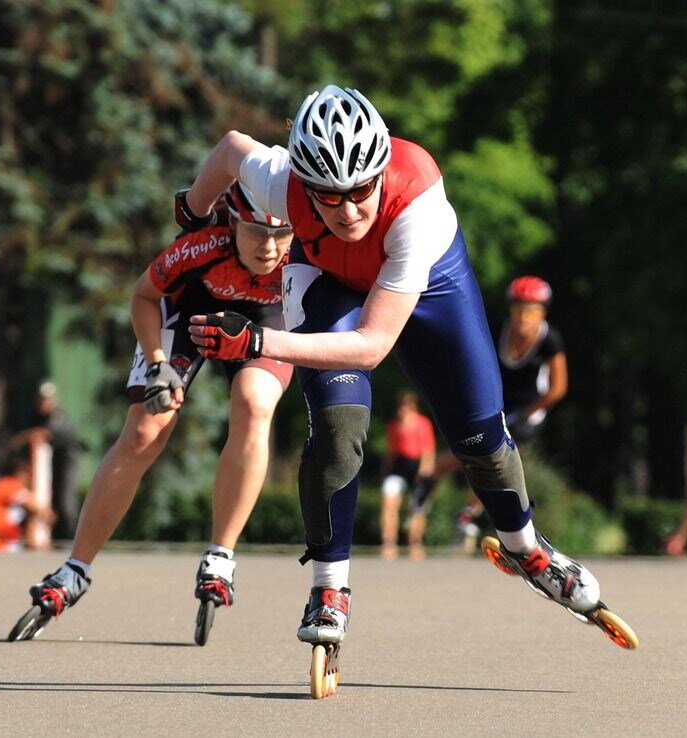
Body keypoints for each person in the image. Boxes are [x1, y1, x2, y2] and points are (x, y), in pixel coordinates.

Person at [184, 84, 607, 648]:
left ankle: (525, 547)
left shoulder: (418, 205)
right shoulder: (279, 179)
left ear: (380, 170)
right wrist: (190, 209)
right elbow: (230, 151)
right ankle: (329, 588)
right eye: (328, 197)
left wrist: (261, 341)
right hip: (329, 281)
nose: (349, 209)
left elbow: (371, 345)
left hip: (431, 283)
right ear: (302, 184)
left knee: (479, 434)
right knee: (338, 425)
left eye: (360, 189)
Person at [20, 182, 294, 624]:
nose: (269, 246)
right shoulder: (203, 246)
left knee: (254, 404)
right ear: (232, 222)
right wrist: (157, 364)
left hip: (265, 321)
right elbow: (143, 295)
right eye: (256, 231)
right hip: (187, 317)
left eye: (282, 234)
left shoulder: (304, 257)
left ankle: (220, 557)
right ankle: (74, 569)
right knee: (146, 429)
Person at [437, 275, 568, 550]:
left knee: (502, 453)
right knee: (463, 452)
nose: (523, 318)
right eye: (518, 309)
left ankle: (471, 514)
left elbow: (557, 388)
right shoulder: (497, 331)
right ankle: (425, 491)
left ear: (542, 312)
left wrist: (524, 414)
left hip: (529, 410)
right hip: (495, 402)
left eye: (531, 311)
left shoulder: (549, 340)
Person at [11, 381, 85, 541]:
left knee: (66, 498)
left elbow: (44, 433)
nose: (44, 404)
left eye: (47, 400)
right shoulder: (34, 416)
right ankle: (53, 535)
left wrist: (22, 438)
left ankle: (71, 536)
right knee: (48, 497)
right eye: (41, 400)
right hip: (48, 462)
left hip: (67, 459)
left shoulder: (58, 415)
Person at [379, 390, 436, 560]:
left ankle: (415, 543)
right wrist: (384, 473)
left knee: (417, 508)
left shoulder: (423, 424)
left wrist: (425, 473)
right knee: (389, 502)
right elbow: (390, 453)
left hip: (417, 468)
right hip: (399, 468)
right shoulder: (394, 426)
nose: (402, 411)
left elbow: (428, 451)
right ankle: (388, 542)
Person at [0, 448, 54, 552]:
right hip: (6, 540)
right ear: (21, 471)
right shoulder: (11, 486)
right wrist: (48, 517)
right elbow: (35, 507)